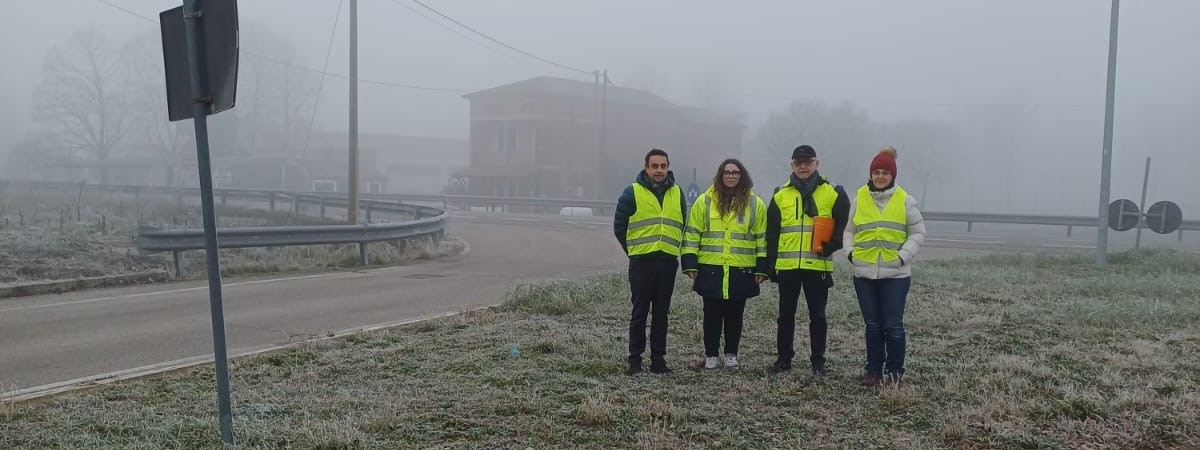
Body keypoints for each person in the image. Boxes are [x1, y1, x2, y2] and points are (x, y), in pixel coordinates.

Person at [765, 145, 850, 377]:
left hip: (817, 265)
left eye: (807, 162)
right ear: (792, 165)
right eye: (798, 162)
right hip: (788, 266)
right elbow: (771, 232)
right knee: (785, 316)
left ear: (817, 164)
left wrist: (830, 246)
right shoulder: (780, 194)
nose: (803, 166)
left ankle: (818, 362)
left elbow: (842, 226)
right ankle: (784, 359)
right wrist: (770, 263)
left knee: (818, 317)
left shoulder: (834, 192)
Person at [845, 146, 926, 386]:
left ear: (893, 176)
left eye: (885, 172)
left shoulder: (905, 200)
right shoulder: (859, 199)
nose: (880, 176)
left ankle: (894, 373)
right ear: (870, 174)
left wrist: (903, 256)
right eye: (876, 172)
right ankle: (873, 371)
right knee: (872, 326)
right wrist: (850, 253)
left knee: (893, 326)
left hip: (896, 275)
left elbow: (918, 233)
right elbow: (849, 230)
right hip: (864, 273)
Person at [681, 159, 769, 370]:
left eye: (735, 172)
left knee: (735, 315)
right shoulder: (704, 201)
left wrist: (762, 267)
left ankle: (731, 355)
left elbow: (762, 238)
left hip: (742, 268)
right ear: (721, 175)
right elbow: (692, 233)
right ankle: (711, 355)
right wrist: (690, 262)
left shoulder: (755, 203)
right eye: (727, 172)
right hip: (711, 267)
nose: (731, 176)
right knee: (711, 314)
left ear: (742, 176)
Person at [613, 148, 687, 375]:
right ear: (646, 168)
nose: (659, 170)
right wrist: (634, 251)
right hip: (642, 263)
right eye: (654, 166)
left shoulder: (677, 193)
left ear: (668, 167)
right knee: (639, 313)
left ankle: (658, 360)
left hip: (667, 262)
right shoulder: (632, 192)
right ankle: (634, 361)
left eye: (663, 166)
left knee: (662, 314)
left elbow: (682, 223)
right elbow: (619, 227)